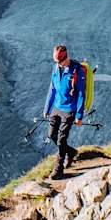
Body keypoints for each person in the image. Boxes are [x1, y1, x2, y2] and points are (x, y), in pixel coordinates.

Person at [42, 44, 85, 179]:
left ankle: (59, 169)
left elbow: (81, 94)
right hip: (57, 106)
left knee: (61, 139)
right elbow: (52, 89)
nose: (58, 64)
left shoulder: (77, 71)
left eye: (60, 61)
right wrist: (47, 108)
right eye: (56, 61)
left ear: (66, 57)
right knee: (52, 134)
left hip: (69, 109)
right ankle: (71, 152)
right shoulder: (56, 68)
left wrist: (79, 115)